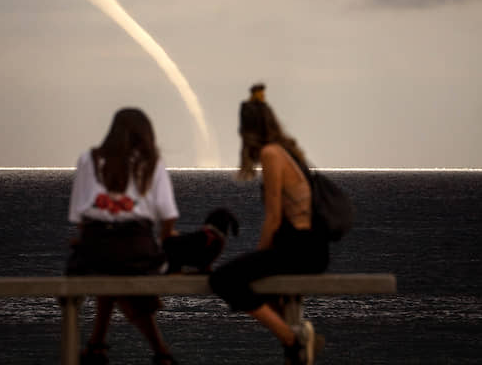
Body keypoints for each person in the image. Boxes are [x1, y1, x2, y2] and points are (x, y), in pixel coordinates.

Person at [209, 84, 330, 365]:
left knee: (223, 279)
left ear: (247, 129)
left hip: (300, 249)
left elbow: (274, 217)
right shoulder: (288, 152)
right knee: (255, 281)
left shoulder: (271, 154)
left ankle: (292, 340)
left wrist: (259, 255)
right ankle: (295, 339)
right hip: (310, 247)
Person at [67, 108, 180, 365]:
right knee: (122, 274)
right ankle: (160, 353)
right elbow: (168, 214)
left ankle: (97, 345)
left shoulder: (89, 159)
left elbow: (79, 217)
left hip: (96, 251)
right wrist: (165, 238)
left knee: (109, 272)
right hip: (137, 251)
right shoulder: (152, 162)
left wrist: (85, 240)